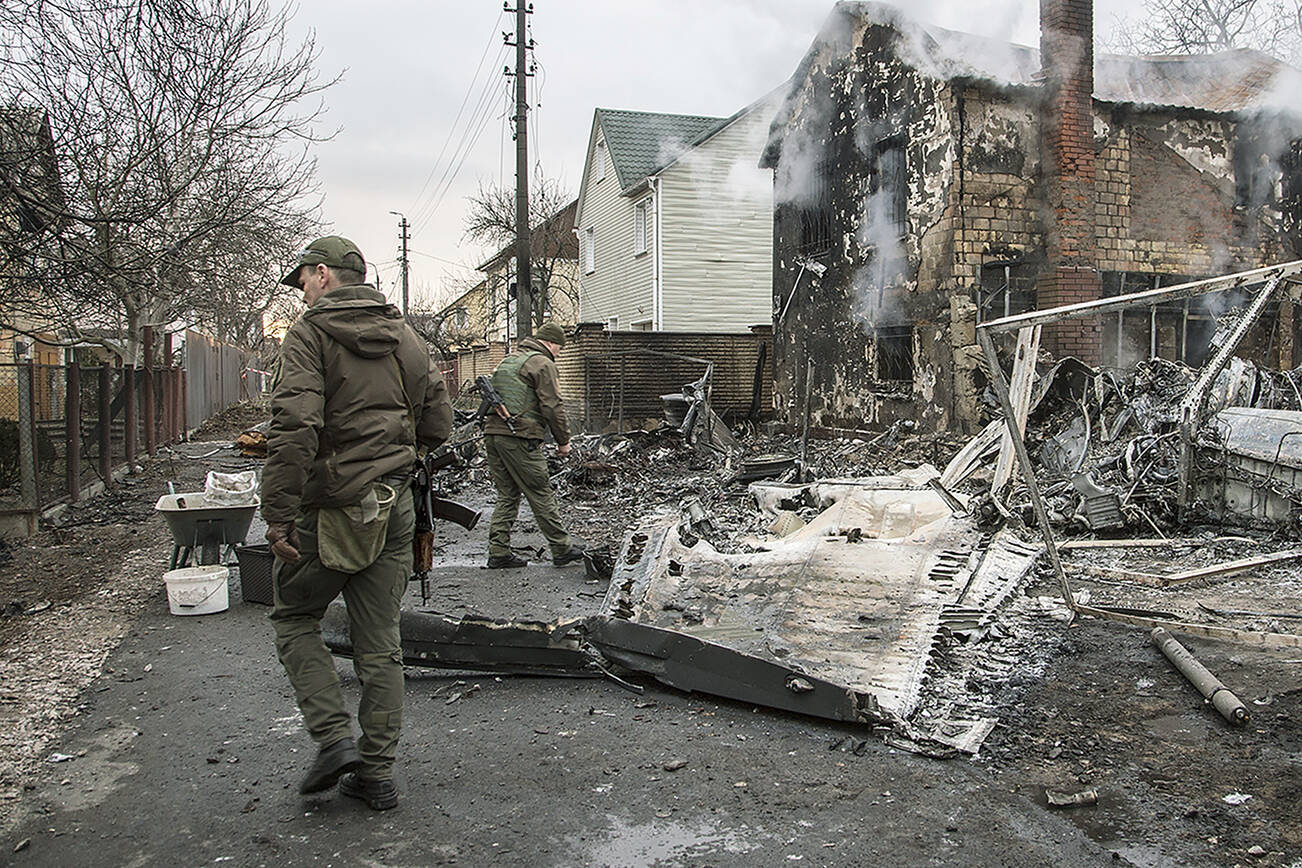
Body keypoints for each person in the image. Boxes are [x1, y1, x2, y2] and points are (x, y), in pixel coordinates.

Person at [261, 235, 452, 811]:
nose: (301, 293)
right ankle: (376, 775)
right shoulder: (405, 336)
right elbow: (439, 419)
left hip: (329, 509)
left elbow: (295, 426)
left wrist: (277, 513)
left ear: (322, 275)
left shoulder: (310, 334)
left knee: (295, 617)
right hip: (392, 505)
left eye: (302, 281)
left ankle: (333, 739)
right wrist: (401, 455)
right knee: (381, 643)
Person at [483, 321, 584, 569]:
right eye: (559, 347)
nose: (559, 353)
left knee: (507, 493)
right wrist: (564, 441)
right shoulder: (543, 363)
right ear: (550, 343)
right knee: (540, 491)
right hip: (520, 435)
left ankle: (498, 551)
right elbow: (552, 406)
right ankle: (561, 548)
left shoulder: (511, 359)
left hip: (493, 433)